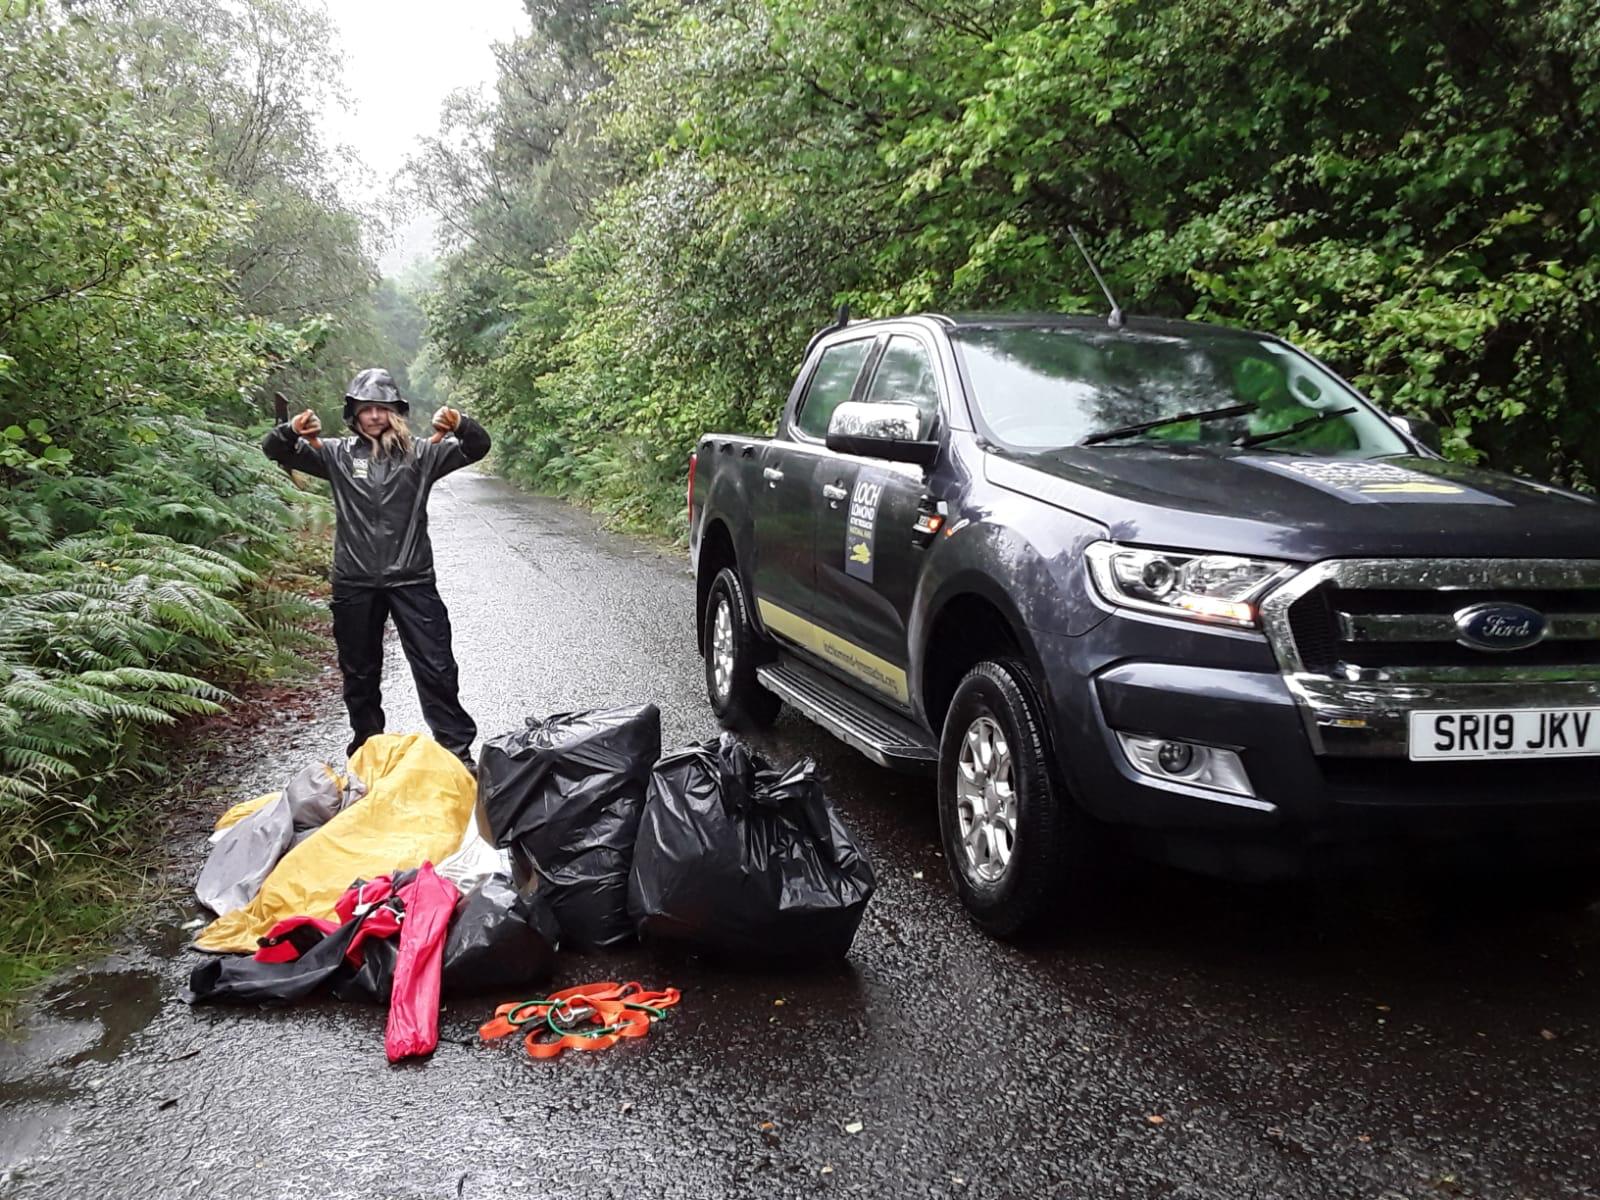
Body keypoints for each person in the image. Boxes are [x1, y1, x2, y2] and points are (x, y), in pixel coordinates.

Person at [262, 368, 490, 771]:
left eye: (381, 408)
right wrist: (292, 431)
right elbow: (274, 450)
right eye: (366, 409)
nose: (374, 416)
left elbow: (477, 447)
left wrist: (460, 423)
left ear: (395, 411)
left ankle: (457, 752)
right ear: (354, 414)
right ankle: (367, 752)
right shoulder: (334, 454)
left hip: (413, 578)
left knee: (437, 667)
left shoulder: (422, 453)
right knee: (360, 673)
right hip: (354, 581)